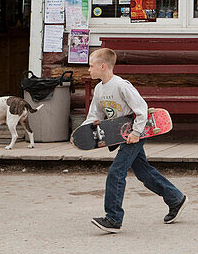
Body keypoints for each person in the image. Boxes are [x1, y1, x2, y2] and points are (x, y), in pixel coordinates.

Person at [73, 46, 186, 232]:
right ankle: (176, 199)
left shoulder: (121, 85)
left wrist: (136, 133)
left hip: (135, 134)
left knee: (116, 172)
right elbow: (95, 115)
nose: (88, 69)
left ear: (103, 66)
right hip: (120, 136)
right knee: (144, 172)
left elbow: (142, 109)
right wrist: (85, 131)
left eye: (91, 65)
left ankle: (113, 218)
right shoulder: (99, 89)